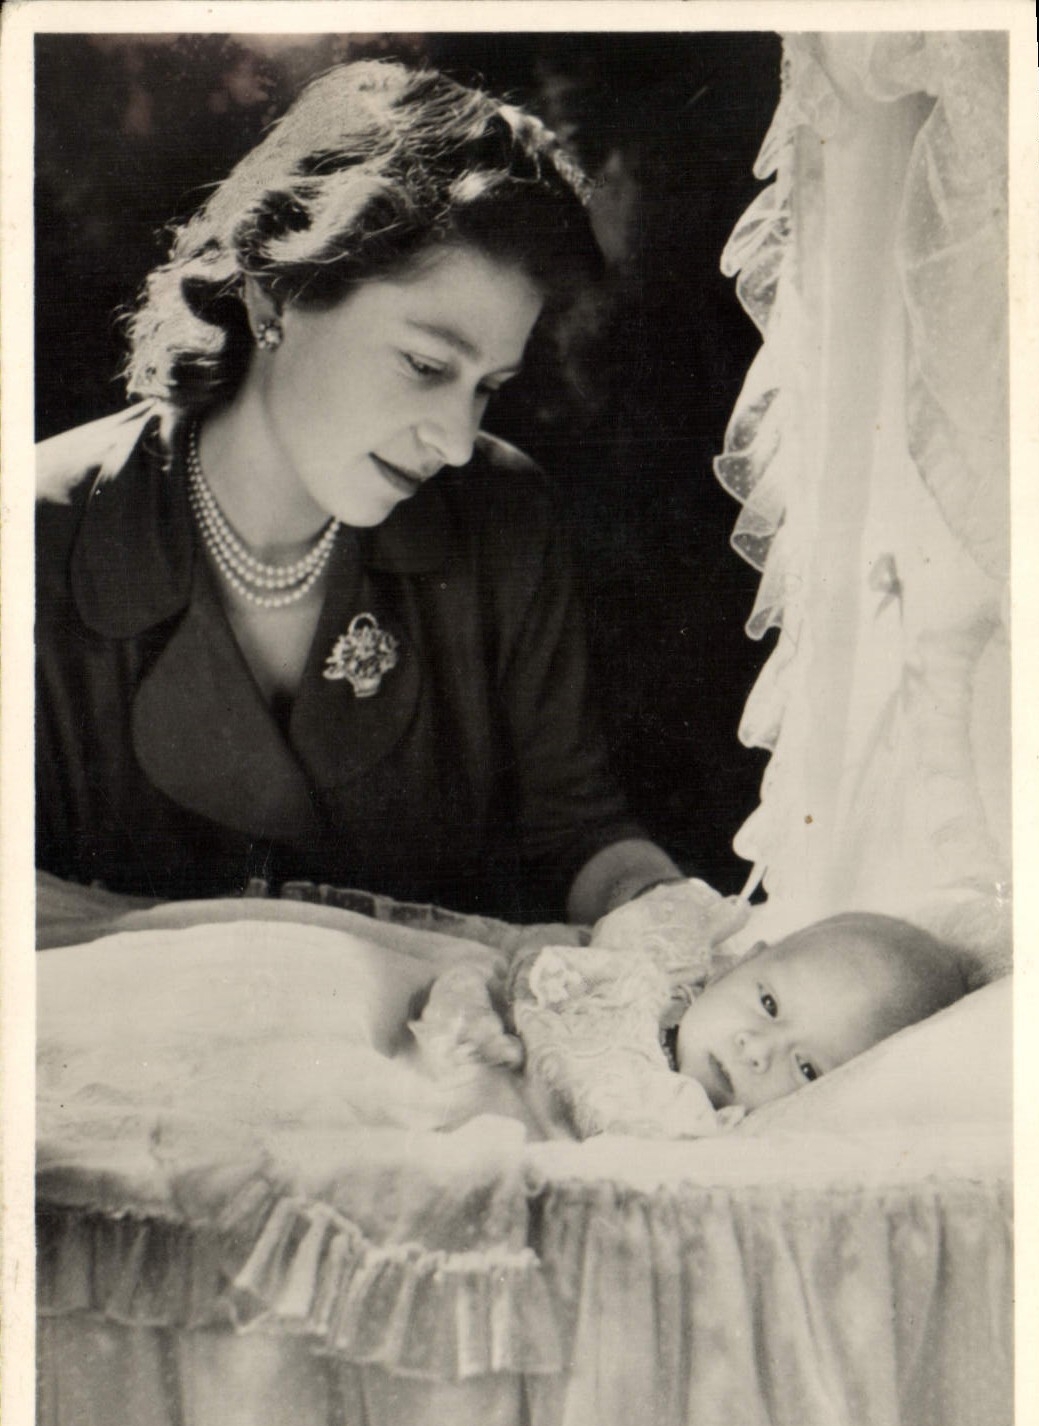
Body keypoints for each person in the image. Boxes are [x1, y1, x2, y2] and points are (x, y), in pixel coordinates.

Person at [36, 59, 682, 923]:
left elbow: (576, 831)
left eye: (488, 387)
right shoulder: (34, 537)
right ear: (276, 295)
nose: (455, 441)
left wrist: (657, 910)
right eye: (425, 365)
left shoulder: (502, 517)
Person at [415, 904, 970, 1136]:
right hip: (443, 1068)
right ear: (742, 963)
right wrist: (476, 1013)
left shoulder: (703, 1135)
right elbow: (517, 970)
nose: (757, 1049)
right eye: (769, 1005)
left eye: (807, 1069)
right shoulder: (636, 984)